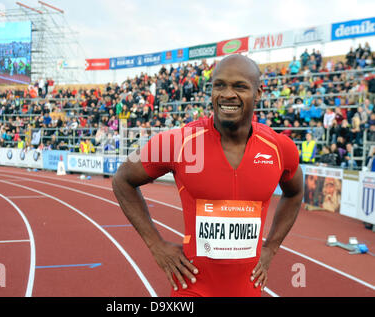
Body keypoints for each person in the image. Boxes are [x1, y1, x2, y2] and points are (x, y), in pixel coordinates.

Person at [112, 54, 303, 297]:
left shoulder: (279, 148)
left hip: (249, 290)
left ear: (259, 92)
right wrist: (155, 244)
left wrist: (271, 249)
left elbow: (295, 192)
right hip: (192, 290)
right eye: (219, 85)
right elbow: (122, 179)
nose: (227, 94)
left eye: (240, 86)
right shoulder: (178, 141)